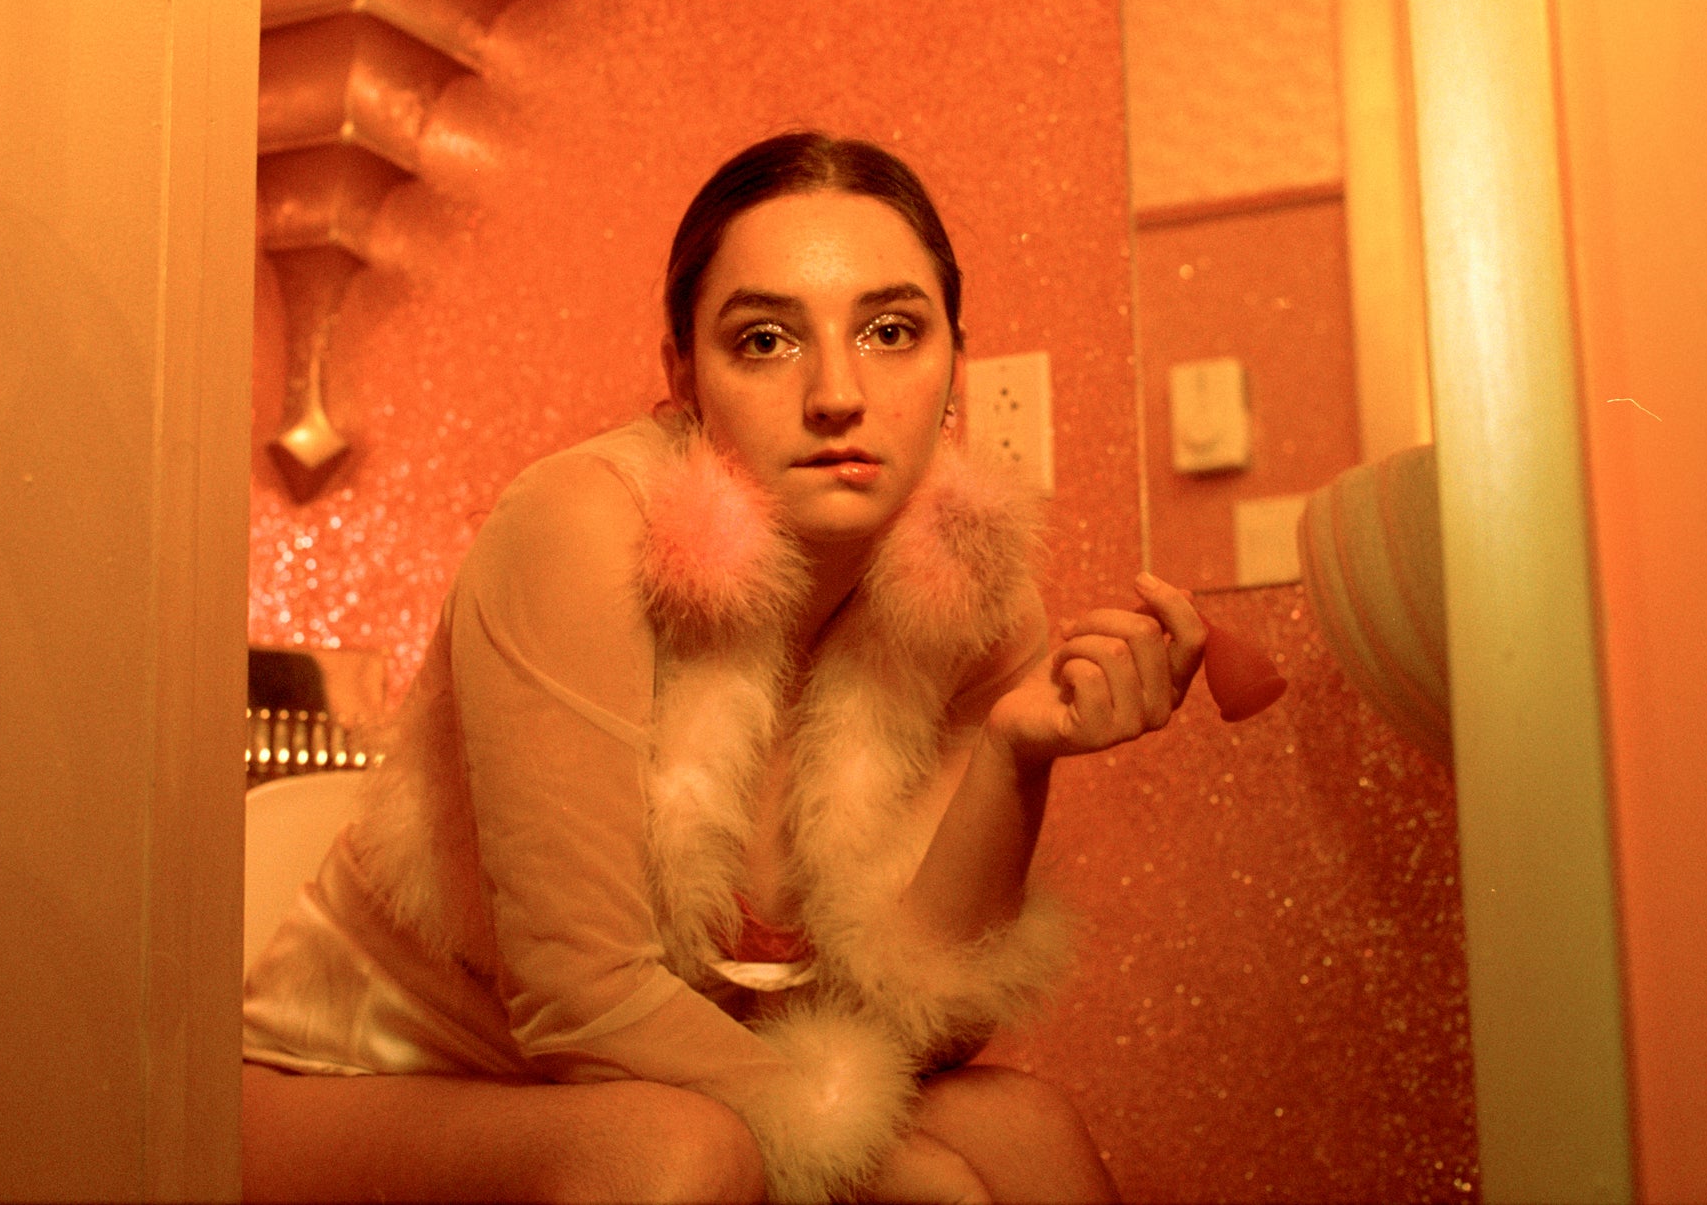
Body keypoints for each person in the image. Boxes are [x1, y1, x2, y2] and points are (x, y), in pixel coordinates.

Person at [242, 132, 1208, 1203]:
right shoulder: (583, 530)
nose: (837, 392)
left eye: (891, 331)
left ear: (953, 367)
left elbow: (917, 1027)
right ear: (685, 376)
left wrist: (1014, 757)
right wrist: (897, 1169)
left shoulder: (967, 596)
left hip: (665, 1089)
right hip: (359, 1082)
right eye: (765, 340)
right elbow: (582, 1001)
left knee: (1025, 1132)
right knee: (675, 1157)